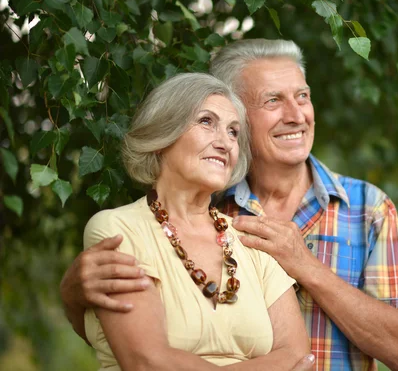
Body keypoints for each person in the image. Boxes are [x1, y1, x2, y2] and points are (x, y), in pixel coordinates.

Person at [61, 40, 398, 370]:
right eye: (273, 100)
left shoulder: (367, 208)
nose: (297, 115)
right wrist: (74, 298)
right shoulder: (207, 205)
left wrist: (305, 265)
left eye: (303, 96)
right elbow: (129, 347)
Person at [75, 72, 312, 370]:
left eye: (233, 132)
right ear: (162, 136)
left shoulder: (252, 241)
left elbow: (299, 356)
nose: (225, 143)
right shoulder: (117, 230)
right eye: (206, 122)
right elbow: (147, 362)